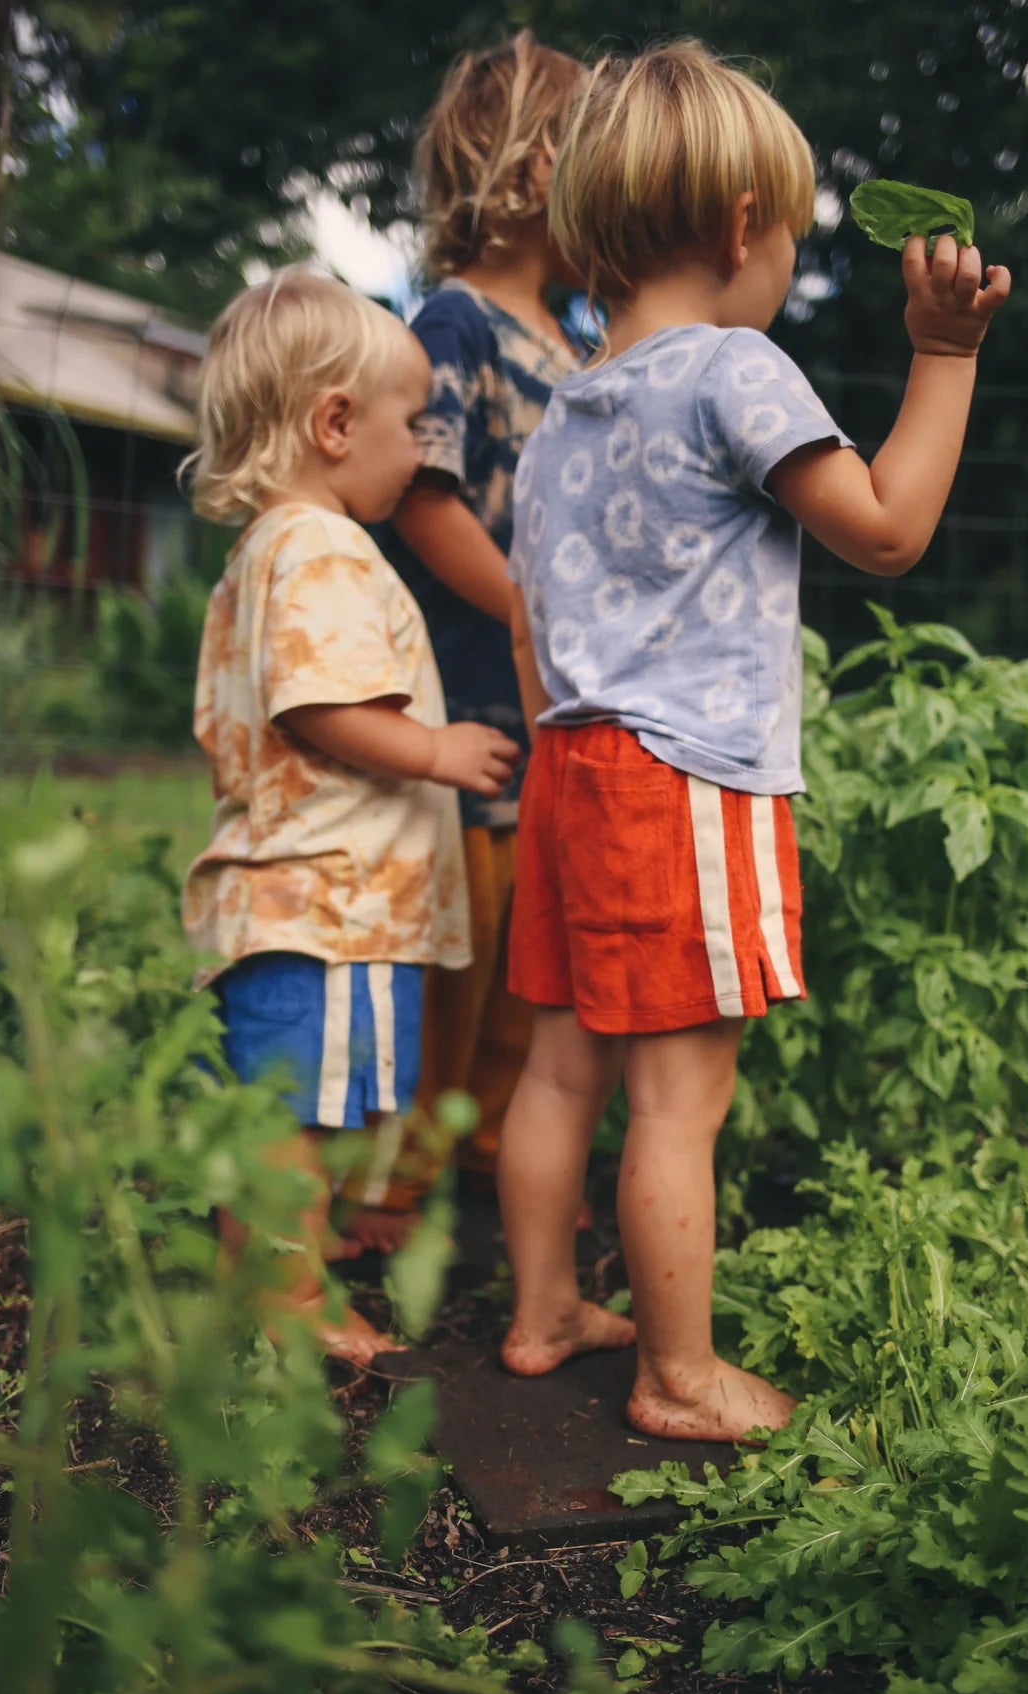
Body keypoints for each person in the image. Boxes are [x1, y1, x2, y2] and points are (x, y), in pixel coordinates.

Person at [500, 41, 1011, 1440]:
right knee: (682, 1095)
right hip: (683, 778)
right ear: (741, 226)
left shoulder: (558, 419)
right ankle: (680, 1378)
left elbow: (532, 624)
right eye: (786, 230)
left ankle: (542, 1309)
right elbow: (890, 530)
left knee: (559, 1064)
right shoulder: (735, 370)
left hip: (567, 765)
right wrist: (944, 354)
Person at [181, 267, 520, 1366]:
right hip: (327, 900)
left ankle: (278, 1268)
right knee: (300, 1116)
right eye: (413, 424)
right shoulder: (321, 546)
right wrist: (435, 747)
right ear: (336, 423)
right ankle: (280, 1298)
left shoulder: (265, 549)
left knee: (302, 1106)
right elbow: (321, 703)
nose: (425, 445)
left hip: (306, 897)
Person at [357, 31, 585, 1249]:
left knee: (525, 950)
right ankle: (395, 1181)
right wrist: (527, 609)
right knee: (465, 940)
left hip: (542, 704)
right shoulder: (456, 323)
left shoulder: (575, 340)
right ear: (530, 162)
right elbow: (425, 496)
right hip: (468, 694)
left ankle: (495, 1145)